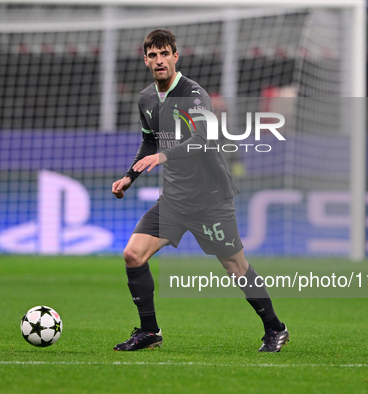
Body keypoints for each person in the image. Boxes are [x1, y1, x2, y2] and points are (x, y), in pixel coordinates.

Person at [111, 29, 288, 352]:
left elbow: (202, 139)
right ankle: (150, 331)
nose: (159, 60)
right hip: (175, 200)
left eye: (165, 54)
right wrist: (129, 176)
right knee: (133, 255)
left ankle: (275, 328)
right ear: (146, 60)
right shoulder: (146, 99)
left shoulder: (193, 95)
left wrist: (163, 155)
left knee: (235, 267)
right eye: (153, 55)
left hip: (209, 199)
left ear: (175, 56)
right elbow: (150, 141)